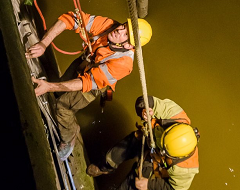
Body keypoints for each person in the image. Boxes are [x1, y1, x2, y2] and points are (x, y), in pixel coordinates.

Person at [25, 10, 152, 161]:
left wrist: (49, 86)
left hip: (94, 84)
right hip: (86, 62)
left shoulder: (123, 64)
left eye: (125, 34)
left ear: (130, 46)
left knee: (63, 107)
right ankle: (57, 97)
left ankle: (69, 137)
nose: (120, 30)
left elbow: (87, 82)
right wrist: (43, 43)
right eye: (124, 26)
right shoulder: (109, 26)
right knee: (58, 92)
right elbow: (72, 18)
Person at [87, 95, 200, 190]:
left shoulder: (185, 169)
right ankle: (105, 167)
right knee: (116, 153)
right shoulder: (174, 113)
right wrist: (143, 109)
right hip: (147, 137)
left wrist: (148, 184)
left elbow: (176, 188)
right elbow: (145, 100)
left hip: (153, 161)